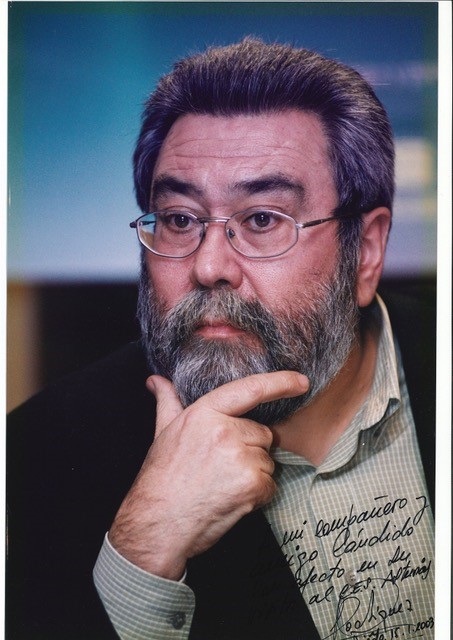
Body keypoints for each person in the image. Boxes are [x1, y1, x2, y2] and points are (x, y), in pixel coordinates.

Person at [7, 38, 435, 640]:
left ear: (364, 251)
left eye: (262, 219)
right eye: (180, 219)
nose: (209, 266)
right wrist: (145, 545)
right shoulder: (37, 455)